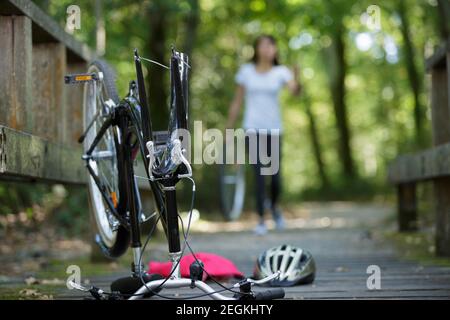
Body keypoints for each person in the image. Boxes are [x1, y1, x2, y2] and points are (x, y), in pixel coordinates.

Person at [226, 34, 301, 235]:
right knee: (259, 174)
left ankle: (274, 207)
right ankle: (261, 219)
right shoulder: (246, 72)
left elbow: (295, 91)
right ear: (257, 49)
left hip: (274, 130)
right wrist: (229, 128)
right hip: (252, 129)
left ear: (275, 50)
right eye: (263, 45)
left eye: (271, 46)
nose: (267, 49)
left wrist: (297, 77)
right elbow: (237, 101)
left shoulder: (281, 72)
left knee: (275, 177)